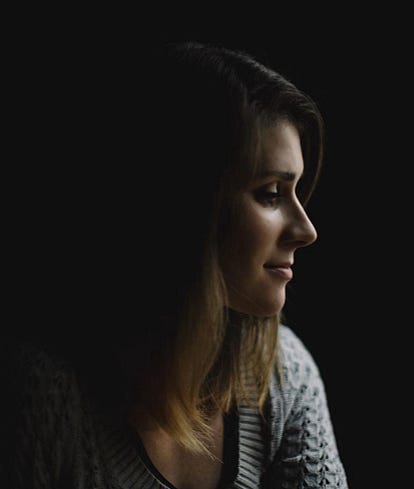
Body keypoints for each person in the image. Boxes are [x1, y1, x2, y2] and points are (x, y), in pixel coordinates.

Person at [0, 41, 348, 488]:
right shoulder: (41, 395)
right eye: (271, 194)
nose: (306, 229)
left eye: (297, 191)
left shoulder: (285, 375)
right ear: (186, 201)